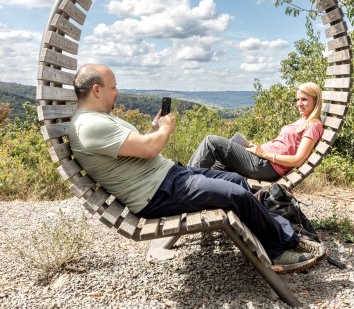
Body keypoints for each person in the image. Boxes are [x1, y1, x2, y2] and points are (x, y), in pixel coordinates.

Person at [68, 64, 327, 273]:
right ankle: (281, 249)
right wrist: (166, 129)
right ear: (96, 90)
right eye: (113, 87)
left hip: (168, 178)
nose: (118, 92)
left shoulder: (100, 120)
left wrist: (154, 129)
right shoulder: (90, 125)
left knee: (237, 181)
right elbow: (148, 150)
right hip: (158, 192)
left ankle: (281, 234)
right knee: (234, 195)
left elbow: (135, 147)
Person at [188, 82, 324, 181]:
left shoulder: (313, 125)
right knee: (216, 167)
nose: (299, 104)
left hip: (266, 166)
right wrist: (256, 147)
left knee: (212, 142)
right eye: (298, 99)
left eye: (304, 99)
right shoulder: (303, 120)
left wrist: (264, 153)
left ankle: (183, 183)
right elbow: (284, 145)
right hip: (261, 160)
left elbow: (297, 160)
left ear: (316, 100)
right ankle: (192, 193)